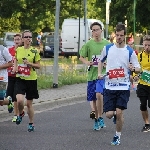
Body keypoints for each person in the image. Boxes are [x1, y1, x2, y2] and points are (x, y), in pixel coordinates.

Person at [98, 24, 140, 145]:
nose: (119, 37)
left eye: (121, 35)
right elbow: (100, 61)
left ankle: (117, 136)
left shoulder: (130, 51)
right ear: (114, 35)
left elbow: (138, 68)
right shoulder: (108, 48)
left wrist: (134, 68)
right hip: (109, 86)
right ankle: (117, 116)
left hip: (123, 86)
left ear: (125, 36)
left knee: (120, 111)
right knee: (109, 115)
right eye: (117, 35)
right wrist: (100, 73)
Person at [79, 22, 110, 130]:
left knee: (99, 95)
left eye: (97, 30)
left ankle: (100, 117)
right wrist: (87, 62)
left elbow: (112, 57)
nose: (95, 32)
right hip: (91, 75)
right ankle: (97, 119)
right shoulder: (88, 44)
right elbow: (81, 56)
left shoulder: (107, 44)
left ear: (101, 31)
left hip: (102, 75)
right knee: (93, 99)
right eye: (93, 30)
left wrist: (107, 63)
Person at [14, 30, 41, 132]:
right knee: (20, 100)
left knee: (29, 104)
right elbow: (15, 59)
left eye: (30, 37)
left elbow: (38, 66)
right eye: (26, 37)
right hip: (20, 78)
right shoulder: (19, 49)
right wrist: (15, 67)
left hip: (31, 80)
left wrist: (30, 64)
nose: (28, 39)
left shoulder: (35, 51)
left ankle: (31, 123)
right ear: (22, 39)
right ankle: (20, 113)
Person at [6, 34, 23, 122]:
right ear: (13, 41)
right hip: (10, 76)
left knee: (15, 96)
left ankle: (16, 115)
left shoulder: (22, 51)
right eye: (15, 39)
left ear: (21, 41)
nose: (17, 41)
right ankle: (10, 105)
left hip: (19, 77)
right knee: (8, 96)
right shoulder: (9, 50)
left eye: (18, 39)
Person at [136, 35, 150, 132]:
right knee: (143, 105)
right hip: (142, 84)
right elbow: (136, 69)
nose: (147, 47)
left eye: (149, 45)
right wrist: (134, 75)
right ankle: (147, 123)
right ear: (143, 45)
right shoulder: (139, 56)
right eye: (145, 45)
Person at [0, 45, 13, 112]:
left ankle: (9, 101)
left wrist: (0, 67)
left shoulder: (3, 49)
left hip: (2, 79)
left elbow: (11, 63)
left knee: (1, 101)